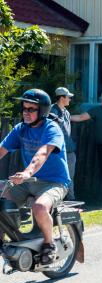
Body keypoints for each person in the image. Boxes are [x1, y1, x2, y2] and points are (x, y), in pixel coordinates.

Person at [0, 89, 70, 265]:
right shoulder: (21, 129)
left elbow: (42, 154)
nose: (26, 112)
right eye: (24, 108)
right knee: (2, 204)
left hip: (55, 182)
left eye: (31, 109)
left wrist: (26, 173)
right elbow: (2, 149)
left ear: (42, 111)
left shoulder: (52, 129)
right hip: (28, 183)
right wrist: (26, 177)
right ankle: (8, 241)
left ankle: (49, 245)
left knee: (39, 207)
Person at [50, 87, 76, 201]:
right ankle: (55, 202)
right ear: (61, 98)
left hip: (69, 151)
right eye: (68, 97)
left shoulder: (67, 112)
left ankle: (71, 200)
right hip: (56, 152)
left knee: (70, 177)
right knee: (55, 178)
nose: (70, 99)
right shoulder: (51, 111)